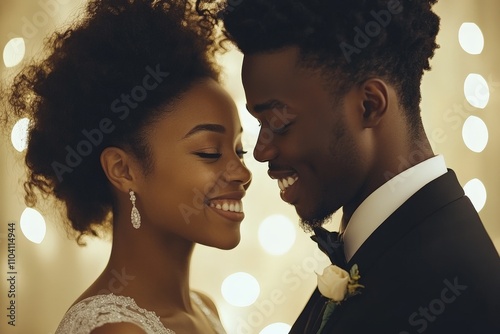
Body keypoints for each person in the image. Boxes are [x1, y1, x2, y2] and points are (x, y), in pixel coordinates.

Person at [218, 0, 500, 333]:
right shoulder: (381, 245)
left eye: (278, 122)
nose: (261, 152)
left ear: (369, 105)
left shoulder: (453, 292)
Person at [3, 0, 251, 333]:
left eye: (240, 150)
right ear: (123, 170)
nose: (243, 173)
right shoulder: (118, 330)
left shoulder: (205, 308)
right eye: (210, 152)